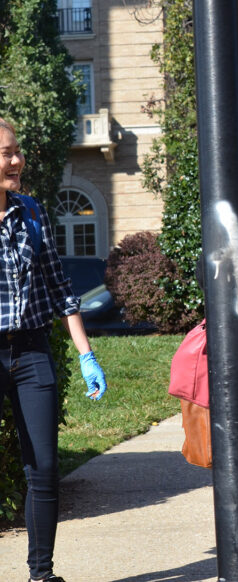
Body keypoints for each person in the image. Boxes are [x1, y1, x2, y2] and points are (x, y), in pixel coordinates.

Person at [0, 118, 107, 582]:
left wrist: (85, 355)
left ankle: (41, 575)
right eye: (6, 153)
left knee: (42, 467)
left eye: (17, 150)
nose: (17, 160)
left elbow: (61, 290)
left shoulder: (31, 213)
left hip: (31, 351)